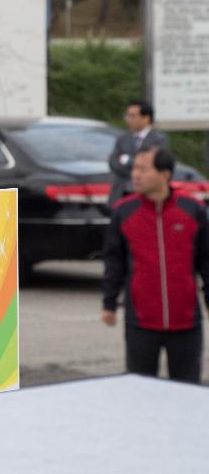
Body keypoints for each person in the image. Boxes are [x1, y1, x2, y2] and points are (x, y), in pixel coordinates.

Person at [101, 148, 209, 383]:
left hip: (186, 322)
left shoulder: (193, 210)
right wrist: (109, 302)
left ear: (165, 174)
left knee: (187, 391)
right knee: (140, 392)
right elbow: (114, 261)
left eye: (143, 169)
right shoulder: (124, 211)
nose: (135, 175)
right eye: (134, 169)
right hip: (140, 321)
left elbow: (206, 260)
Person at [107, 100, 170, 208]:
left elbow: (152, 164)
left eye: (132, 116)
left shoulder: (159, 139)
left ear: (146, 118)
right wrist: (134, 168)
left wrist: (126, 161)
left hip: (146, 193)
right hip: (122, 192)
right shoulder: (123, 138)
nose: (127, 119)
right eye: (127, 115)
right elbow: (113, 162)